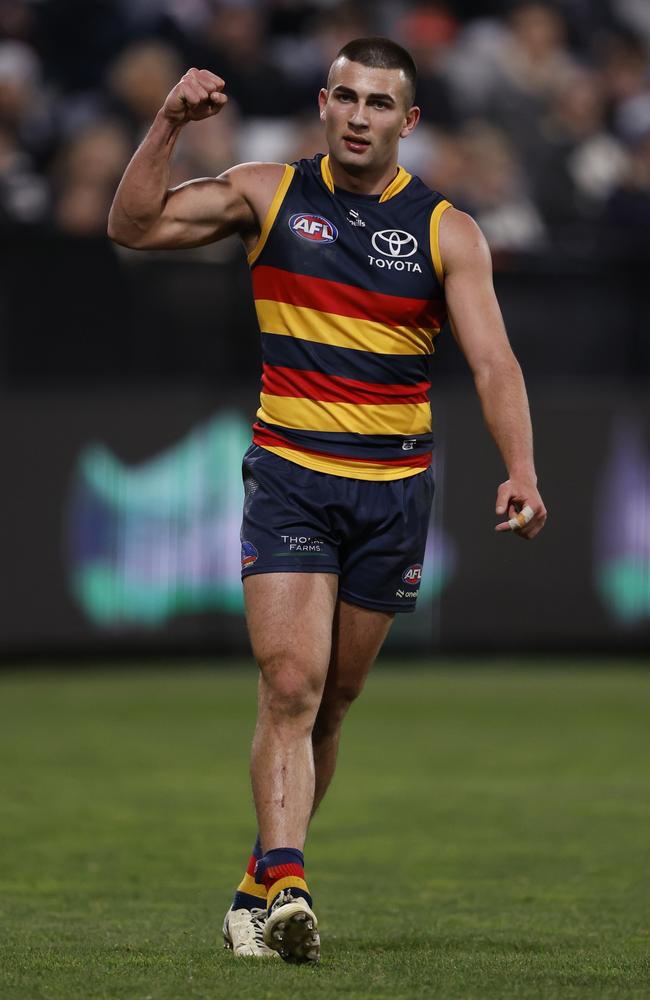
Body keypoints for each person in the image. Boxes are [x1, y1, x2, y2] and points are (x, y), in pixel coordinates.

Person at [108, 36, 547, 965]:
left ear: (408, 121)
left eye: (379, 104)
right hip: (291, 481)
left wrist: (522, 471)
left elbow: (495, 362)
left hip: (392, 494)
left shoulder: (445, 230)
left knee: (334, 702)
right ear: (322, 103)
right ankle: (293, 881)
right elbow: (134, 226)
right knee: (290, 683)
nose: (358, 117)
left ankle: (254, 887)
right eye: (345, 97)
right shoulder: (267, 193)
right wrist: (169, 124)